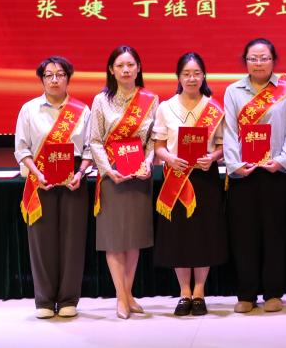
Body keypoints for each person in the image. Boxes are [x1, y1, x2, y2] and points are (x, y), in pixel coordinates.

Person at [222, 38, 286, 314]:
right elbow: (229, 131)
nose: (258, 63)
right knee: (244, 236)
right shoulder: (233, 91)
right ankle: (246, 294)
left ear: (273, 60)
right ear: (245, 61)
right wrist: (235, 164)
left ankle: (273, 293)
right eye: (253, 58)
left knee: (274, 234)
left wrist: (282, 160)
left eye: (264, 58)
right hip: (244, 174)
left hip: (275, 172)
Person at [14, 56, 92, 319]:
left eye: (60, 74)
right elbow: (21, 148)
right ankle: (44, 300)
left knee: (73, 240)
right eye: (49, 75)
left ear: (68, 78)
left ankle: (69, 298)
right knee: (42, 241)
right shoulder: (29, 109)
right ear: (42, 79)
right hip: (40, 178)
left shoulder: (82, 110)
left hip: (74, 180)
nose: (55, 80)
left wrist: (81, 172)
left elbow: (89, 148)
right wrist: (37, 174)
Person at [152, 52, 227, 317]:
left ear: (203, 76)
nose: (192, 78)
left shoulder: (214, 108)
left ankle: (199, 291)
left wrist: (213, 157)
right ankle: (184, 292)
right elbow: (158, 146)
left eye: (196, 73)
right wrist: (170, 158)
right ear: (179, 77)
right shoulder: (166, 107)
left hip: (204, 177)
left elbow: (222, 145)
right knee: (179, 236)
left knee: (203, 235)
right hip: (176, 176)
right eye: (186, 74)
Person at [88, 45, 158, 320]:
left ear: (138, 68)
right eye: (120, 65)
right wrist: (108, 170)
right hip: (113, 178)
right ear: (111, 70)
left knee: (134, 239)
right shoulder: (101, 100)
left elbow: (153, 140)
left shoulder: (151, 100)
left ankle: (128, 294)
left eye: (131, 65)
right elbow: (95, 140)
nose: (126, 70)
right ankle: (121, 297)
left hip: (139, 175)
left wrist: (148, 163)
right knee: (115, 240)